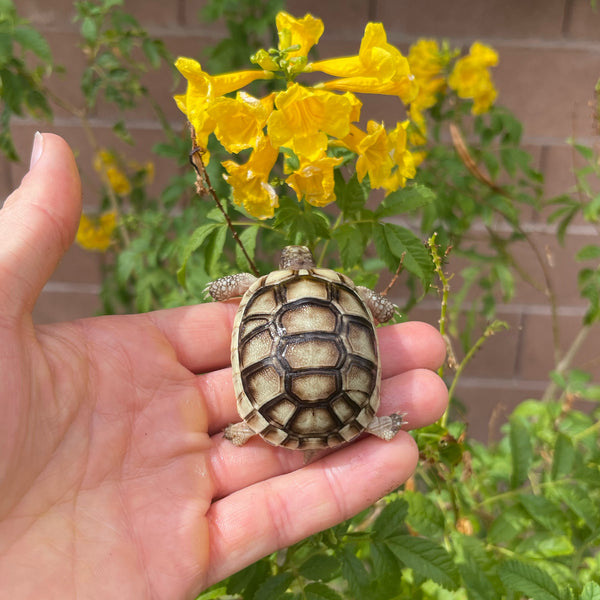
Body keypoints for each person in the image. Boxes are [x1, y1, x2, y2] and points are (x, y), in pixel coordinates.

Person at [0, 133, 448, 599]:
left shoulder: (258, 288)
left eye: (296, 257)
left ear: (286, 265)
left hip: (275, 410)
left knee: (263, 403)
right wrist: (383, 307)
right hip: (344, 407)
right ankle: (367, 424)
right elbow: (380, 310)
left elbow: (220, 288)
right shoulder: (344, 291)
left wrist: (219, 287)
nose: (297, 257)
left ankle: (255, 426)